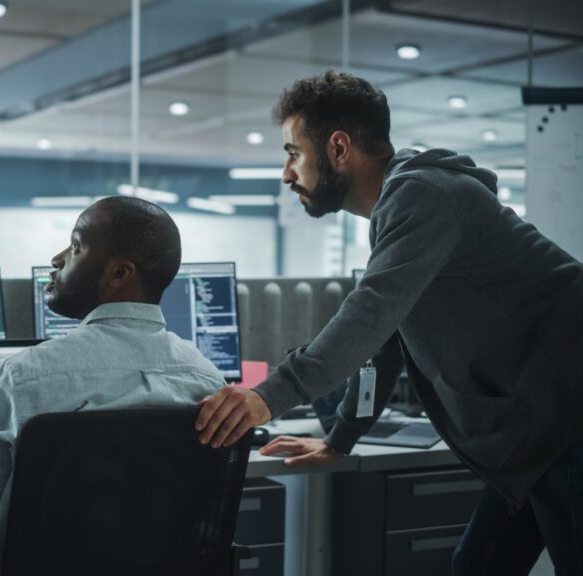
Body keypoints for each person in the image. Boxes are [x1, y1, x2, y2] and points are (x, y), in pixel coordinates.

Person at [194, 70, 583, 575]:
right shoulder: (404, 209)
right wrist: (340, 438)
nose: (287, 174)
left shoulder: (425, 195)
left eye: (293, 152)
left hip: (566, 423)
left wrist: (267, 396)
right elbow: (385, 341)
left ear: (338, 147)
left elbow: (369, 313)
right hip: (536, 436)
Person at [0, 196, 226, 575]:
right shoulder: (210, 383)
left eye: (77, 246)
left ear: (120, 273)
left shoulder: (18, 379)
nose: (57, 257)